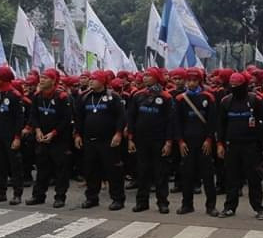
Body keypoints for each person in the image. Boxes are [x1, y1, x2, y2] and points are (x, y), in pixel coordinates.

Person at [217, 72, 263, 220]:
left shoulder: (255, 100)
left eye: (238, 86)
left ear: (245, 86)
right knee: (232, 178)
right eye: (232, 86)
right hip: (232, 145)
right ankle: (229, 207)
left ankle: (258, 208)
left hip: (252, 145)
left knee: (254, 178)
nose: (235, 89)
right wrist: (220, 143)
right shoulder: (226, 102)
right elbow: (221, 125)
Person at [74, 70, 126, 211]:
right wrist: (77, 135)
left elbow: (121, 117)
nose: (91, 81)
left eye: (94, 79)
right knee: (91, 170)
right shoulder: (84, 98)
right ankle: (91, 197)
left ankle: (117, 199)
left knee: (113, 170)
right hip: (90, 140)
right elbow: (79, 118)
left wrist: (118, 133)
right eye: (90, 79)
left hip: (108, 141)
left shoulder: (113, 97)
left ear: (103, 81)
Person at [126, 67, 173, 213]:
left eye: (148, 75)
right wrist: (130, 139)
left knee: (160, 173)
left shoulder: (166, 97)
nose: (144, 78)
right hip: (141, 140)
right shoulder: (138, 95)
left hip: (159, 140)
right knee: (142, 171)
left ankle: (163, 202)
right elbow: (131, 118)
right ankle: (142, 202)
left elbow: (171, 122)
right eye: (144, 75)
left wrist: (168, 142)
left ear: (157, 78)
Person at [26, 68, 72, 208]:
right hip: (42, 138)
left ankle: (60, 197)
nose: (42, 80)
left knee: (61, 170)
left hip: (59, 140)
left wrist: (53, 133)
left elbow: (66, 119)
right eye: (42, 77)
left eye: (46, 78)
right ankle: (38, 196)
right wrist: (38, 130)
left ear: (53, 80)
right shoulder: (37, 96)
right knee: (42, 169)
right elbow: (33, 115)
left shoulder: (62, 97)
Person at [175, 68, 219, 216]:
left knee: (208, 175)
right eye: (189, 80)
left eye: (194, 80)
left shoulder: (208, 97)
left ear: (199, 81)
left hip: (204, 143)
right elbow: (177, 122)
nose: (191, 83)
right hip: (187, 143)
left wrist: (209, 139)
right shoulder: (181, 99)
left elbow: (213, 121)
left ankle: (211, 206)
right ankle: (187, 204)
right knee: (187, 174)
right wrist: (180, 141)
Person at [0, 66, 25, 205]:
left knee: (15, 166)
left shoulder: (15, 95)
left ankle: (17, 194)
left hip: (11, 135)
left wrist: (17, 137)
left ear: (3, 79)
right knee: (0, 165)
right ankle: (0, 193)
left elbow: (19, 118)